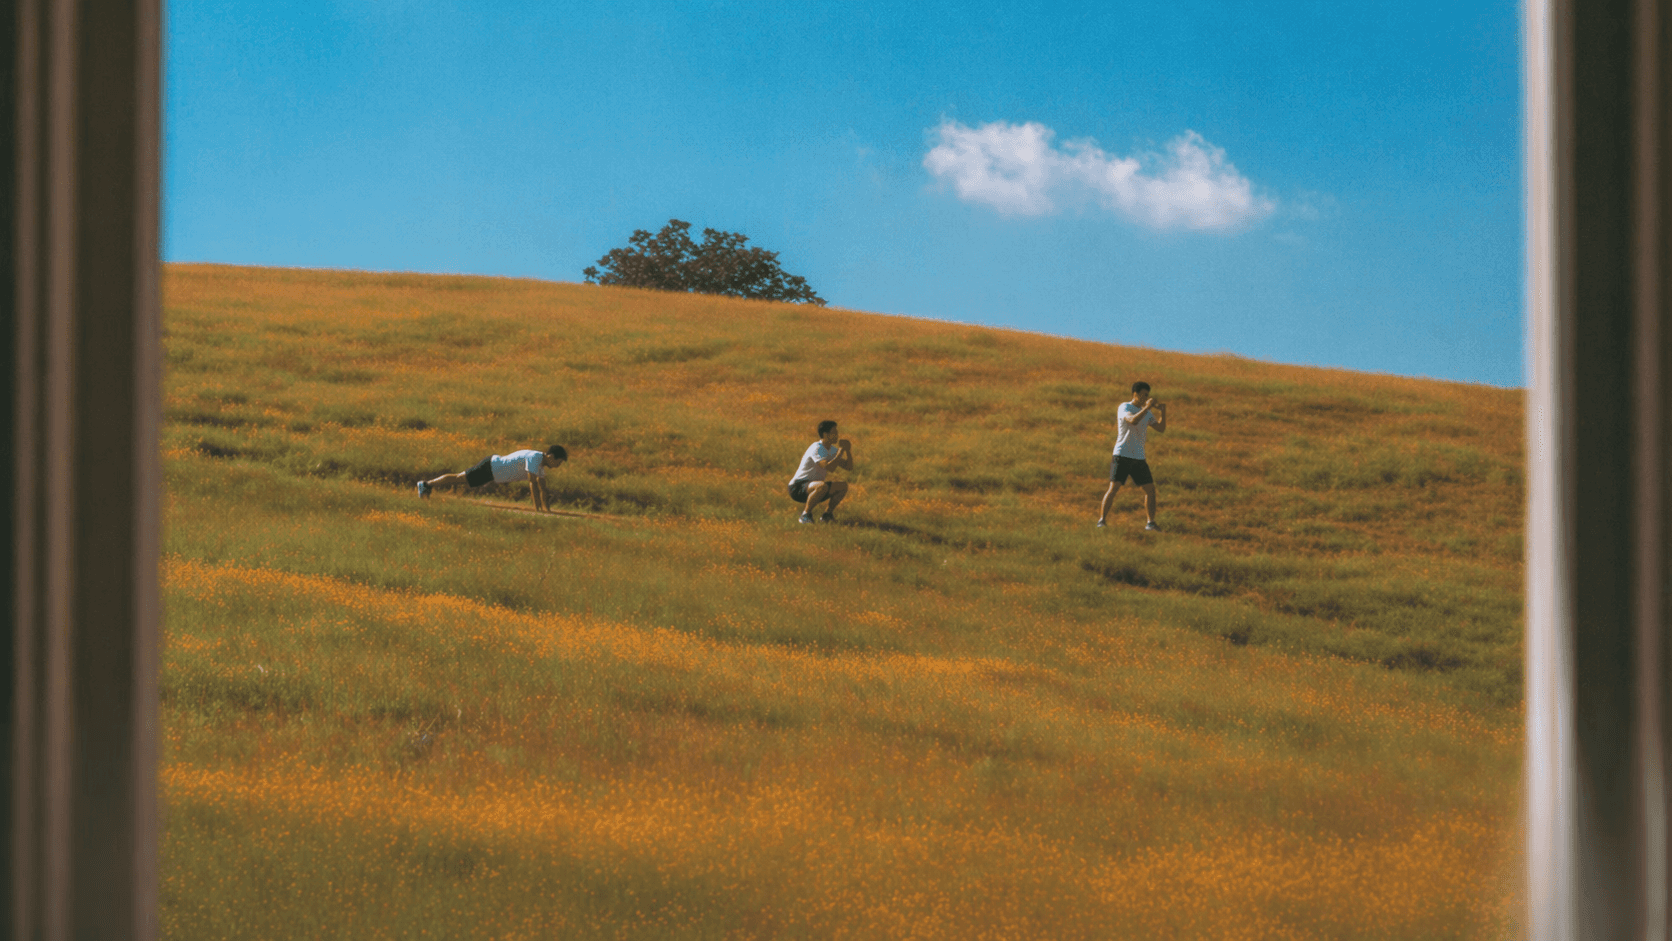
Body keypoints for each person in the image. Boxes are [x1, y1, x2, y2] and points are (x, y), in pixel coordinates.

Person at [1097, 382, 1167, 530]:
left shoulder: (1147, 413)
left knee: (1150, 490)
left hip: (1139, 457)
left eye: (1147, 395)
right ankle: (1102, 520)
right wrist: (1147, 408)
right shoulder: (1125, 407)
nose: (1145, 398)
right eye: (1143, 395)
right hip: (1122, 454)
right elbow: (1133, 420)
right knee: (1114, 487)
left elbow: (1160, 428)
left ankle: (1150, 523)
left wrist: (1163, 412)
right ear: (1134, 394)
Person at [417, 445, 567, 512]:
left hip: (494, 472)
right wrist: (538, 511)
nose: (558, 466)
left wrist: (547, 511)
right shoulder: (535, 458)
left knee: (461, 479)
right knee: (458, 478)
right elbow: (532, 484)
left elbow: (543, 488)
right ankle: (426, 484)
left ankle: (427, 485)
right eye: (559, 462)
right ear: (551, 457)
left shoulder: (540, 465)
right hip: (491, 466)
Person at [788, 420, 853, 523]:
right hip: (797, 487)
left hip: (814, 487)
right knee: (822, 486)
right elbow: (828, 467)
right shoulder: (817, 448)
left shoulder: (831, 449)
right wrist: (840, 452)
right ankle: (805, 516)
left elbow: (849, 467)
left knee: (843, 486)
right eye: (834, 433)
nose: (837, 435)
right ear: (825, 434)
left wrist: (847, 451)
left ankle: (827, 515)